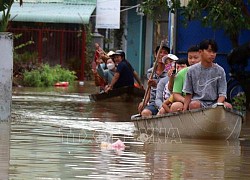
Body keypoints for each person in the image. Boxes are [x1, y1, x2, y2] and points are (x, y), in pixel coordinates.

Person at [182, 39, 232, 111]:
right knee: (194, 105)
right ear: (200, 52)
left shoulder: (220, 71)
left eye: (214, 52)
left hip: (215, 103)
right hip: (198, 102)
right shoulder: (191, 70)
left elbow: (222, 94)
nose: (212, 54)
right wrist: (184, 109)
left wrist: (218, 106)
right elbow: (188, 93)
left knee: (228, 106)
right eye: (209, 51)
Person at [138, 44, 170, 117]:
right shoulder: (151, 72)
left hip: (166, 102)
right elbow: (149, 89)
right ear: (155, 55)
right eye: (160, 52)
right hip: (153, 103)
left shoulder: (170, 72)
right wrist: (144, 102)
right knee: (145, 113)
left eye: (165, 53)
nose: (162, 54)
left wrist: (156, 85)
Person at [170, 45, 201, 112]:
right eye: (190, 58)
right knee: (176, 106)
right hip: (186, 100)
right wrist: (186, 101)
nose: (192, 60)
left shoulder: (209, 71)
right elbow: (176, 94)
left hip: (203, 101)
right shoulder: (181, 73)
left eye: (196, 58)